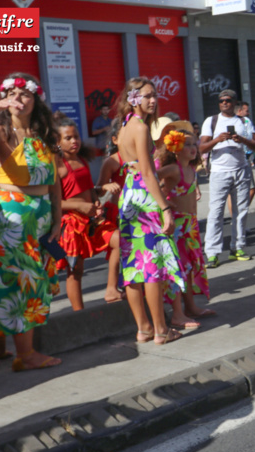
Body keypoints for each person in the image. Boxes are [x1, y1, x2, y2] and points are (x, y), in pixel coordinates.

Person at [0, 72, 63, 371]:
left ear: (36, 100)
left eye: (25, 94)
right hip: (11, 218)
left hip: (40, 215)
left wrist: (57, 220)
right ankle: (26, 354)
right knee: (25, 282)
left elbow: (55, 182)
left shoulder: (45, 135)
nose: (18, 99)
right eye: (12, 93)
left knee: (11, 280)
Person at [116, 76, 184, 346]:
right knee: (151, 267)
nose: (153, 100)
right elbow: (147, 172)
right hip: (144, 198)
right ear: (133, 99)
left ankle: (143, 329)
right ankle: (160, 330)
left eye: (155, 95)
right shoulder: (141, 128)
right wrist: (165, 207)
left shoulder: (124, 127)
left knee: (133, 267)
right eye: (146, 96)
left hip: (128, 197)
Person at [55, 119, 119, 312]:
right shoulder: (57, 165)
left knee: (119, 240)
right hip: (71, 223)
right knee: (75, 271)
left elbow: (89, 191)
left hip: (91, 220)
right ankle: (79, 313)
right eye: (68, 138)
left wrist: (99, 194)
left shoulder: (81, 159)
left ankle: (111, 288)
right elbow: (54, 202)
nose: (74, 141)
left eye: (76, 136)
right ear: (58, 141)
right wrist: (80, 206)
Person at [156, 124, 215, 329]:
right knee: (177, 269)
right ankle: (177, 313)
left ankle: (190, 307)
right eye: (187, 144)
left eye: (194, 144)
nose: (193, 148)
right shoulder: (173, 169)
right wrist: (164, 202)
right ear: (175, 148)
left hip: (190, 225)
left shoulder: (191, 169)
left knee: (189, 269)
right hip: (177, 226)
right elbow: (152, 180)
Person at [200, 89, 255, 267]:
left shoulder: (243, 121)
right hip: (219, 172)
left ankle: (238, 247)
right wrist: (217, 140)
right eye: (221, 101)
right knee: (216, 213)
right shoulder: (211, 121)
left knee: (241, 211)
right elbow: (201, 148)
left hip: (241, 170)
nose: (224, 103)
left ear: (235, 103)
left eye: (228, 100)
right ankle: (212, 253)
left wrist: (242, 140)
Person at [95, 118, 126, 304]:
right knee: (119, 247)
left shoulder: (140, 157)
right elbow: (98, 189)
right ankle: (113, 287)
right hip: (118, 211)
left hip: (139, 211)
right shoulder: (112, 161)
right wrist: (107, 186)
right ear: (115, 140)